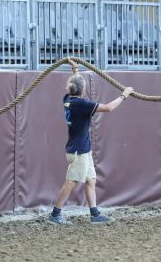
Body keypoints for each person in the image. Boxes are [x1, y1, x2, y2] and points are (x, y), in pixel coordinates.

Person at [48, 60, 134, 225]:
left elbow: (76, 83)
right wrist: (124, 94)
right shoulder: (81, 104)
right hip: (78, 151)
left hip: (82, 149)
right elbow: (109, 108)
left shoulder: (68, 99)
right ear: (82, 90)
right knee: (71, 181)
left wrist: (75, 69)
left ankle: (94, 214)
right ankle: (55, 214)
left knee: (90, 180)